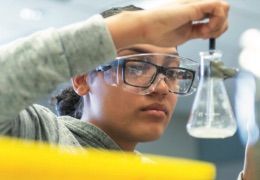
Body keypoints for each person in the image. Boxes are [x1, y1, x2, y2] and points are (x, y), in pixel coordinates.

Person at [0, 0, 250, 179]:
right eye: (137, 67)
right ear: (82, 79)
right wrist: (136, 27)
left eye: (172, 71)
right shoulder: (40, 138)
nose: (162, 87)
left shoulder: (154, 173)